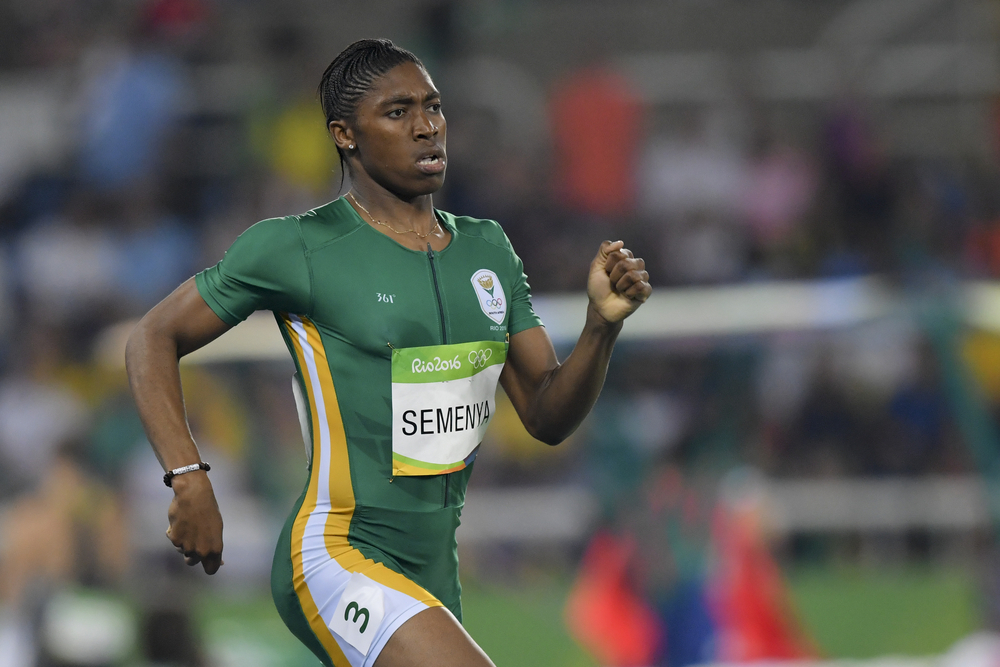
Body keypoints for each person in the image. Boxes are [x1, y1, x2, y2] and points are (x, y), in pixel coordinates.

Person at [125, 38, 651, 667]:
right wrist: (188, 478)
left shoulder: (488, 249)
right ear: (345, 135)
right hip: (335, 554)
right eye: (398, 112)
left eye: (433, 107)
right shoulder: (300, 248)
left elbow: (546, 416)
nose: (427, 126)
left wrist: (600, 327)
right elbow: (151, 337)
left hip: (433, 575)